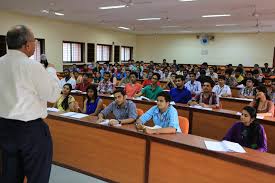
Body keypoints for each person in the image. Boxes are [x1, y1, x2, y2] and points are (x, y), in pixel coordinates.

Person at [0, 25, 60, 183]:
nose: (35, 46)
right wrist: (51, 72)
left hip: (5, 127)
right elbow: (53, 95)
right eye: (34, 41)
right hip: (30, 130)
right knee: (37, 175)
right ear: (26, 44)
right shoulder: (32, 66)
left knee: (10, 174)